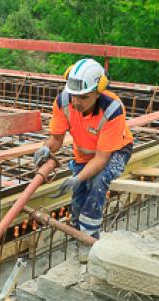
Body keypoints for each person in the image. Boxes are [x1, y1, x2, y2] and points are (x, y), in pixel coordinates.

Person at [33, 58, 135, 261]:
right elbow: (56, 138)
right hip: (84, 153)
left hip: (114, 153)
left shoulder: (112, 109)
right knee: (78, 196)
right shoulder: (63, 102)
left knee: (97, 182)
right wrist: (45, 149)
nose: (77, 102)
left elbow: (102, 158)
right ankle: (78, 233)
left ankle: (89, 240)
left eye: (84, 97)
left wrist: (78, 177)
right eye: (74, 96)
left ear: (99, 92)